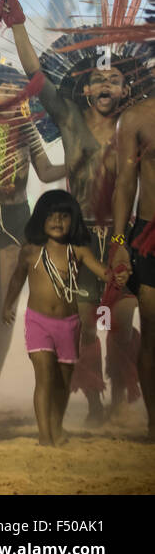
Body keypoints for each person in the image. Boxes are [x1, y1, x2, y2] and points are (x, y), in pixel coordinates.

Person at [0, 0, 140, 422]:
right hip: (77, 241)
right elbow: (36, 76)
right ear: (84, 88)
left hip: (122, 235)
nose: (105, 84)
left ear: (126, 87)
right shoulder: (71, 123)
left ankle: (120, 398)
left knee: (119, 326)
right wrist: (19, 24)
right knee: (83, 331)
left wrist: (121, 240)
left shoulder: (137, 127)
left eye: (113, 79)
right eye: (98, 79)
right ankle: (97, 404)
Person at [0, 60, 66, 413]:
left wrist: (78, 161)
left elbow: (46, 171)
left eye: (15, 89)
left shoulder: (27, 127)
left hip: (18, 218)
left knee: (6, 310)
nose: (11, 95)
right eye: (4, 88)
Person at [1, 191, 117, 446]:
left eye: (63, 216)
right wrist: (7, 305)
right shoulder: (30, 251)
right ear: (40, 219)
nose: (57, 221)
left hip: (69, 325)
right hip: (38, 323)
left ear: (73, 220)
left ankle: (56, 427)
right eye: (51, 216)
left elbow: (104, 273)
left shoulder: (79, 251)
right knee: (44, 377)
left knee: (63, 381)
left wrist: (118, 272)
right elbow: (17, 280)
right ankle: (44, 436)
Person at [108, 95, 155, 438]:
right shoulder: (137, 117)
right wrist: (119, 243)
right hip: (150, 234)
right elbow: (125, 183)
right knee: (152, 333)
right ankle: (154, 424)